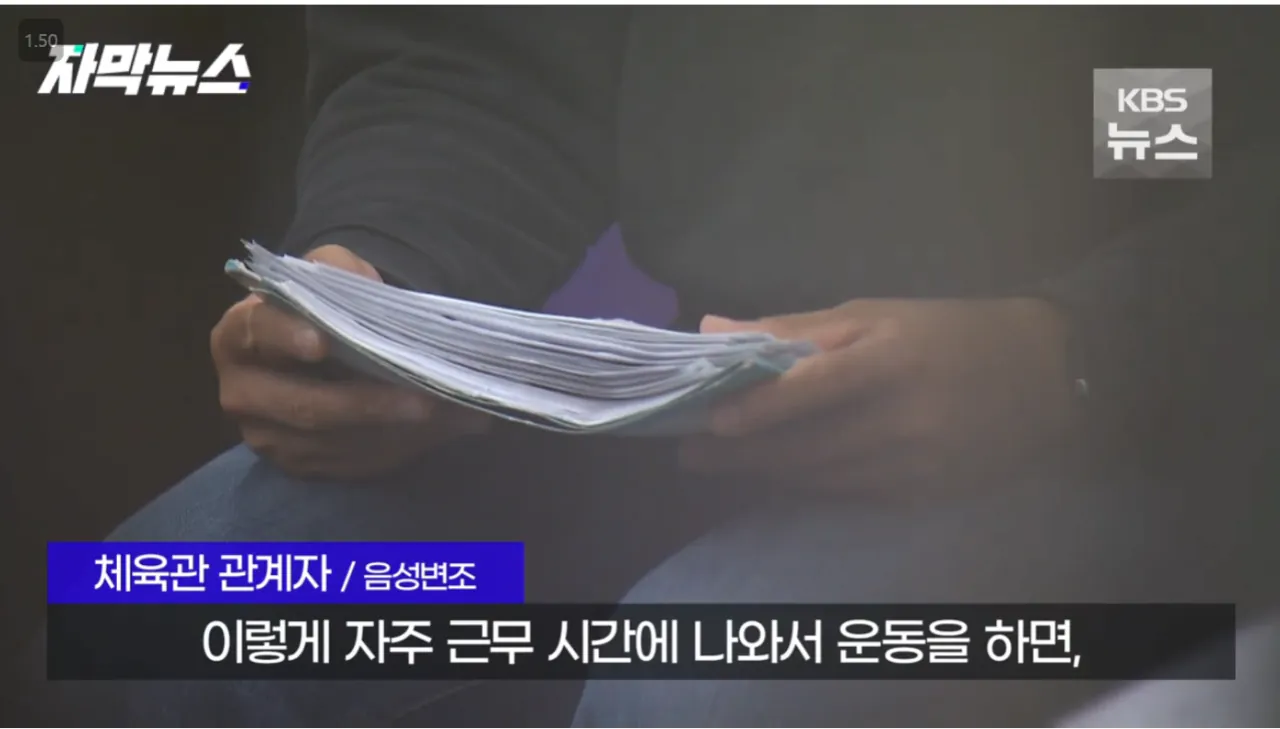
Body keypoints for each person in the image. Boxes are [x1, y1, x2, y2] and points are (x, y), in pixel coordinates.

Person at [42, 6, 1278, 727]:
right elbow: (484, 55)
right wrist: (376, 285)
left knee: (703, 686)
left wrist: (1082, 347)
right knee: (167, 605)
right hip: (694, 401)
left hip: (1162, 417)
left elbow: (1203, 111)